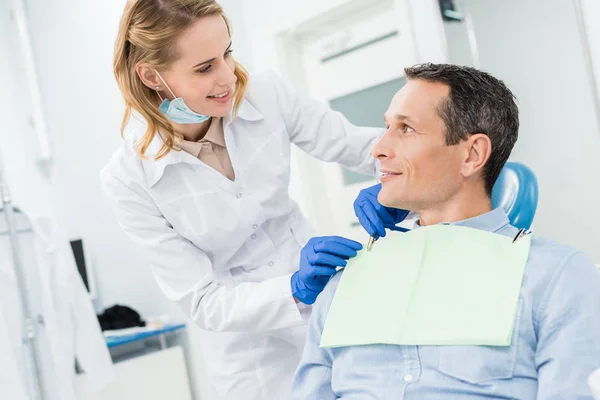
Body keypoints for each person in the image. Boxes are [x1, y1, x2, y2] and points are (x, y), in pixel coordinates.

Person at [101, 1, 407, 398]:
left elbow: (357, 145)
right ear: (152, 75)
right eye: (204, 67)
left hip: (332, 311)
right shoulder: (128, 179)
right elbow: (204, 300)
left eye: (227, 53)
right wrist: (294, 287)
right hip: (250, 356)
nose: (228, 75)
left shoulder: (266, 94)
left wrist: (395, 177)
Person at [291, 63, 600, 399]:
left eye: (406, 128)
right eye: (386, 127)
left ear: (472, 154)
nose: (377, 148)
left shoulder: (556, 278)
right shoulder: (346, 281)